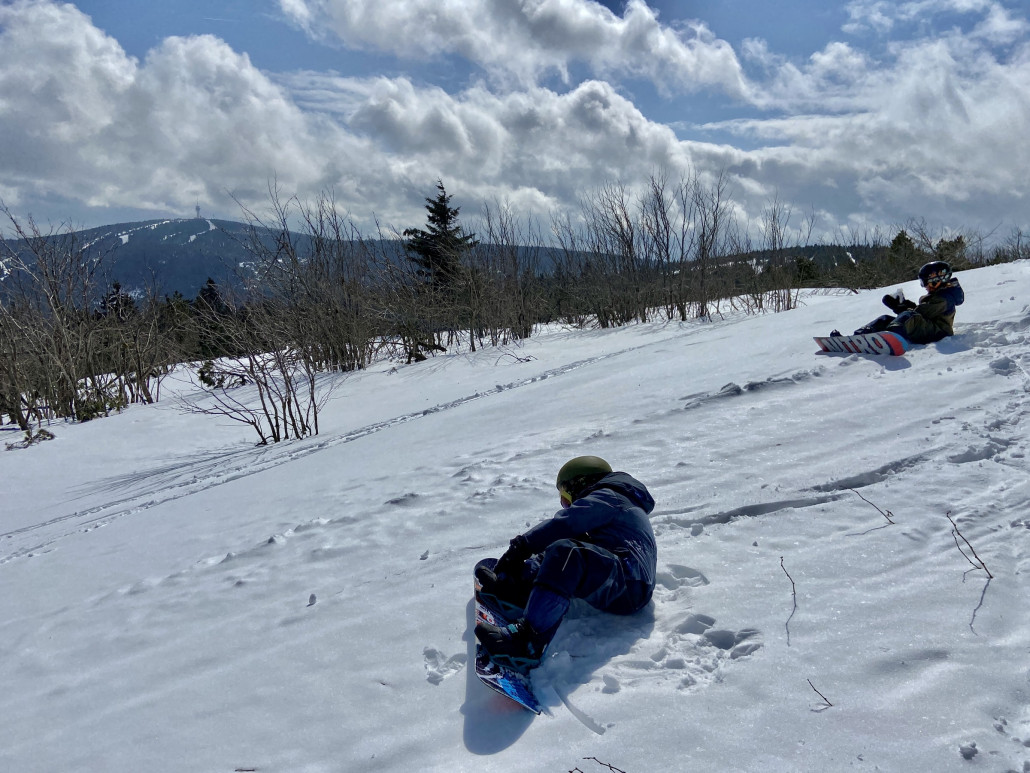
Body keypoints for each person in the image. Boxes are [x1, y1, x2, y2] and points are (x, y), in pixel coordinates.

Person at [475, 456, 657, 670]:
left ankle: (527, 642)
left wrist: (521, 547)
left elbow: (568, 522)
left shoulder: (611, 496)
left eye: (566, 497)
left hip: (629, 585)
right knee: (567, 547)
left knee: (567, 552)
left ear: (580, 483)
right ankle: (519, 590)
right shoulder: (618, 500)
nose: (567, 504)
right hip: (622, 578)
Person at [832, 260, 964, 344]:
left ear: (938, 280)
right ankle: (858, 338)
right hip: (927, 328)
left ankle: (891, 336)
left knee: (907, 316)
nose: (924, 286)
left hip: (938, 333)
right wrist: (903, 304)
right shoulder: (937, 296)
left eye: (925, 282)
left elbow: (922, 313)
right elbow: (920, 311)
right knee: (885, 319)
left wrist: (900, 307)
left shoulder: (945, 298)